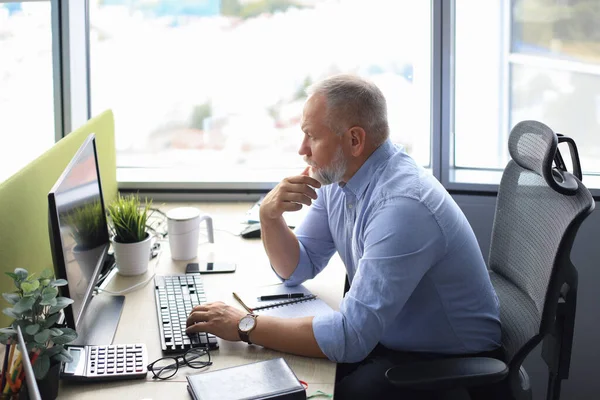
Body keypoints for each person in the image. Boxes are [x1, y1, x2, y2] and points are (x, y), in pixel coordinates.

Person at [186, 74, 501, 399]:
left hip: (449, 363)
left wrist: (245, 326)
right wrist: (270, 216)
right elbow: (296, 268)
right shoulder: (340, 179)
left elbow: (350, 338)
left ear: (354, 141)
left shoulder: (404, 207)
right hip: (392, 337)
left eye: (312, 137)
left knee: (314, 388)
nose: (302, 149)